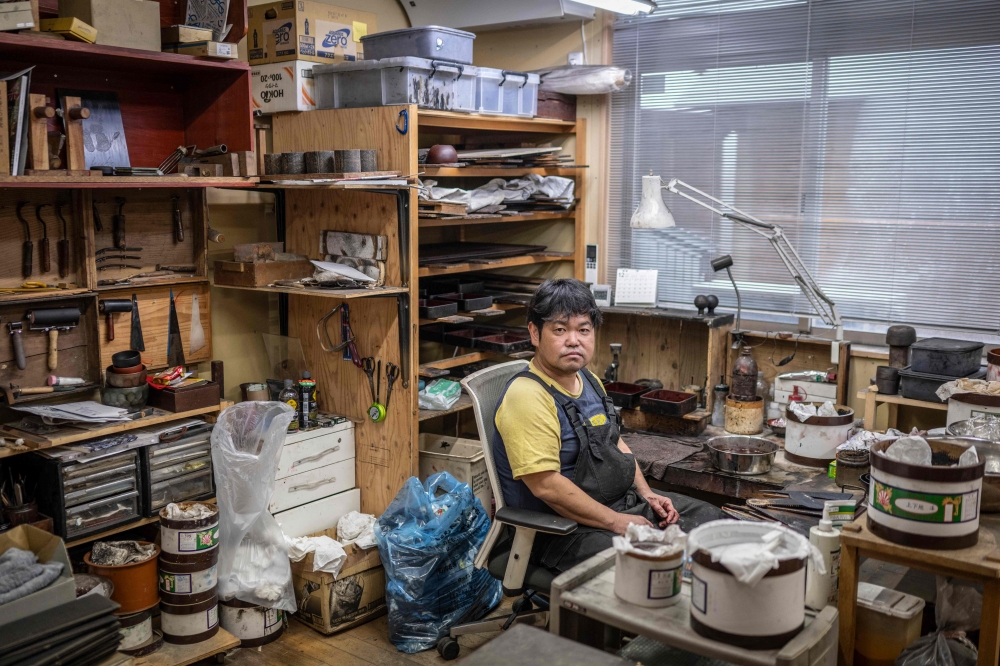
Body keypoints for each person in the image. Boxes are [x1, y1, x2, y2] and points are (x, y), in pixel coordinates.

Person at [493, 278, 724, 573]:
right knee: (663, 564)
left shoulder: (588, 380)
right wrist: (617, 522)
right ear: (535, 333)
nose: (574, 340)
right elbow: (546, 486)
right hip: (562, 532)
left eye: (584, 330)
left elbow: (614, 443)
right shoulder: (527, 396)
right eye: (560, 330)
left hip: (619, 507)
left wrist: (647, 494)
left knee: (715, 524)